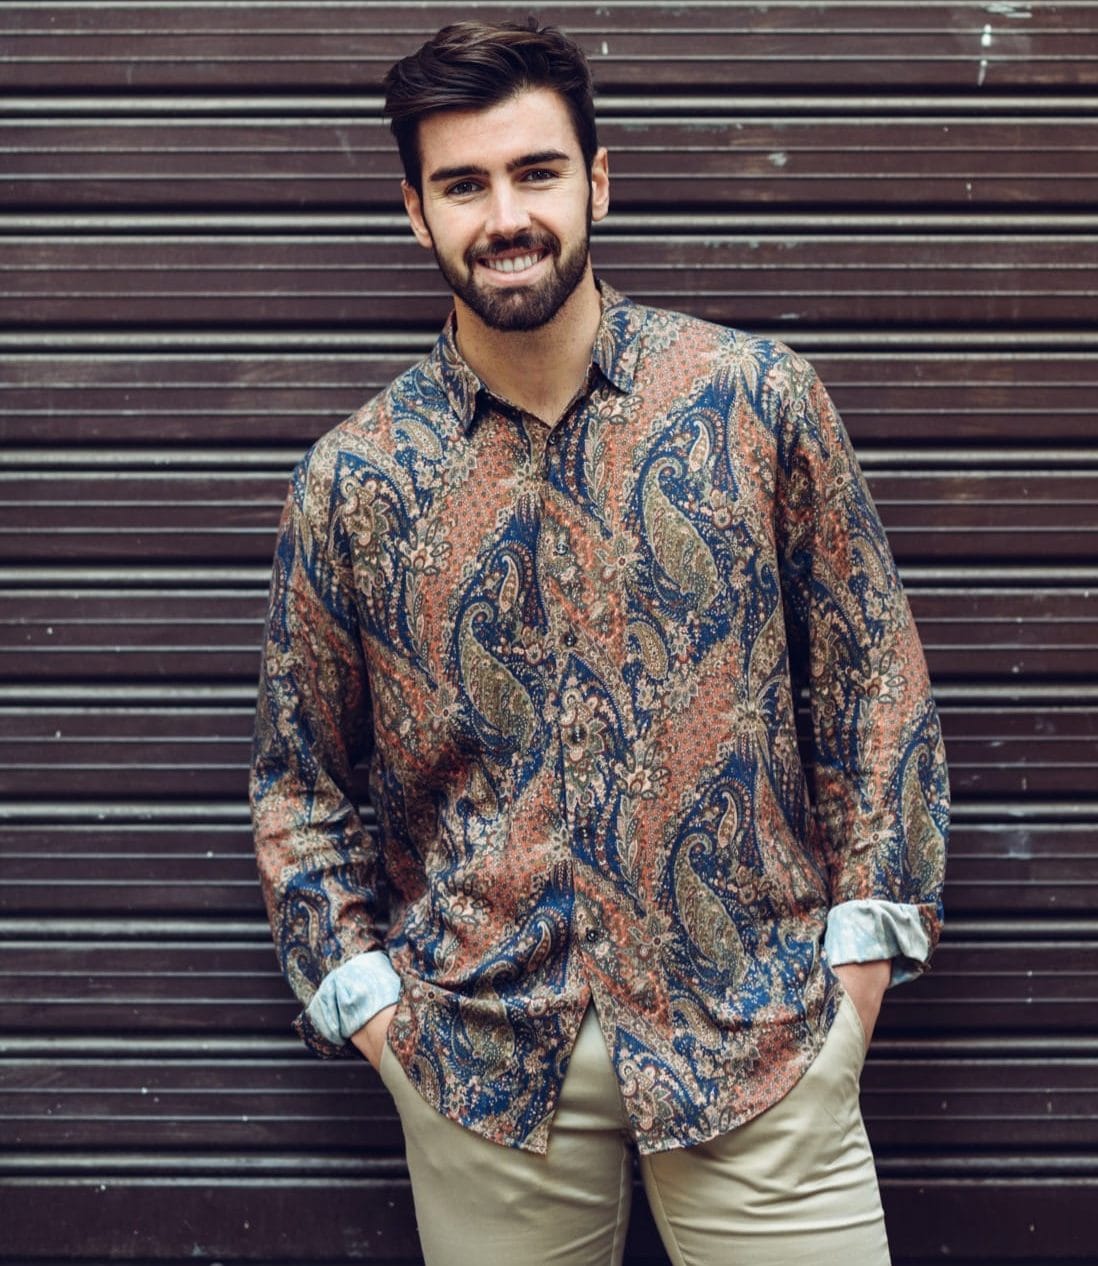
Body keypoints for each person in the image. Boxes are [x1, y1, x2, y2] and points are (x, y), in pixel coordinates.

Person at [250, 19, 949, 1266]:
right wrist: (376, 1017)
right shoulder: (353, 480)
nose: (504, 215)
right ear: (415, 211)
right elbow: (300, 785)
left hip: (762, 1033)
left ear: (599, 180)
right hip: (483, 1067)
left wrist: (856, 980)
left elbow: (873, 690)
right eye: (463, 184)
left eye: (535, 172)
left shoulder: (753, 402)